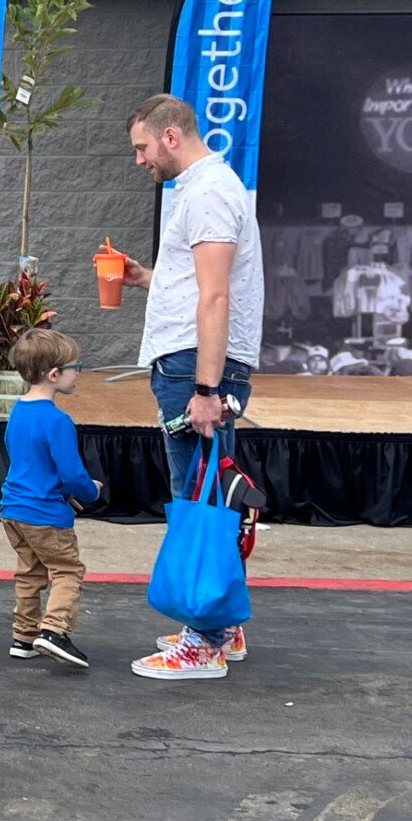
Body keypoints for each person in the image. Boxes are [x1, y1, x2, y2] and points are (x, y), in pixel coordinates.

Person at [111, 94, 265, 682]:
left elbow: (216, 296)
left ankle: (203, 642)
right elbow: (199, 284)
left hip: (196, 372)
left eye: (142, 148)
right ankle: (220, 624)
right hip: (191, 367)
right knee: (209, 493)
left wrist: (206, 387)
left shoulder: (206, 193)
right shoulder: (209, 189)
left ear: (170, 137)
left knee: (199, 495)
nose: (140, 160)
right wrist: (148, 276)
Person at [0, 326, 102, 669]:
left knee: (29, 573)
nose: (78, 374)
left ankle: (23, 636)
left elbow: (29, 463)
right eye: (77, 368)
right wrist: (91, 491)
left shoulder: (18, 411)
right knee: (68, 570)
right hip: (46, 515)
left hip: (13, 510)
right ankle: (54, 630)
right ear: (55, 374)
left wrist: (60, 492)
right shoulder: (58, 421)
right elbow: (73, 473)